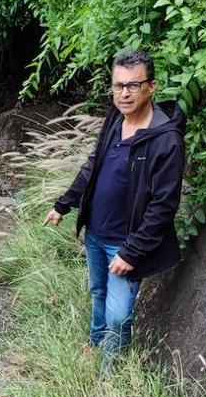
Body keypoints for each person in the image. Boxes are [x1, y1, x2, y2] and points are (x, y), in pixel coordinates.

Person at [43, 49, 186, 367]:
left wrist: (131, 252)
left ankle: (109, 377)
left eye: (133, 85)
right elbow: (93, 167)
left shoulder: (166, 141)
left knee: (119, 315)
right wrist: (64, 204)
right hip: (96, 234)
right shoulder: (115, 119)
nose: (124, 93)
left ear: (151, 86)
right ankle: (96, 343)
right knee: (98, 291)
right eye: (118, 85)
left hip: (125, 244)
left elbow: (163, 206)